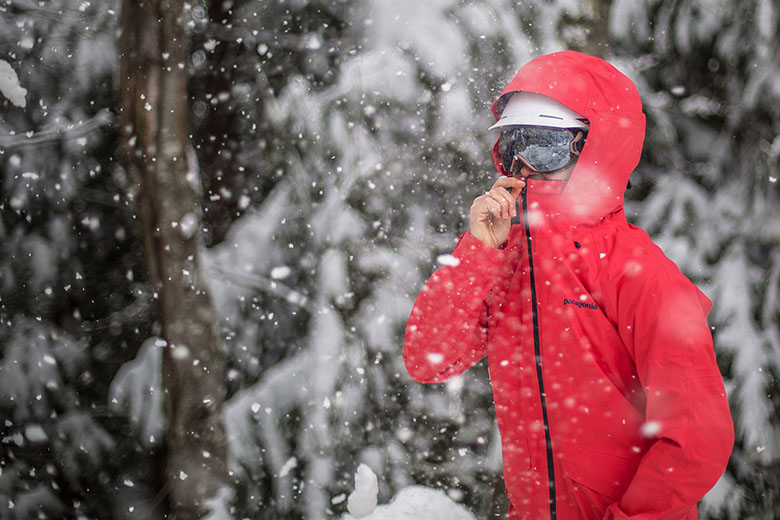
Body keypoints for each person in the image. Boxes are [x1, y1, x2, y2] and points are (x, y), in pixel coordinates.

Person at [403, 51, 734, 520]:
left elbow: (697, 438)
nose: (522, 165)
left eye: (543, 146)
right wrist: (478, 252)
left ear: (593, 147)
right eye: (513, 144)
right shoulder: (506, 258)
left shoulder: (638, 272)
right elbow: (428, 359)